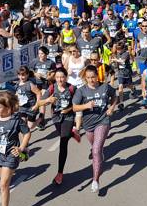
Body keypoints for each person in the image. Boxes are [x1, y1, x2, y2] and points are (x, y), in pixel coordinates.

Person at [72, 65, 117, 193]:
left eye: (93, 77)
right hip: (88, 124)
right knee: (95, 148)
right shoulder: (81, 90)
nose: (91, 80)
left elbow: (115, 96)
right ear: (85, 78)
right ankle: (99, 154)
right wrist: (86, 105)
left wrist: (111, 108)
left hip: (103, 120)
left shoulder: (105, 87)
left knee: (96, 150)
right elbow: (74, 108)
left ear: (97, 76)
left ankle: (95, 180)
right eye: (88, 78)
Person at [34, 67, 80, 185]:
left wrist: (69, 109)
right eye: (58, 77)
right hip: (56, 118)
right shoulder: (52, 88)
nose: (60, 79)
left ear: (66, 77)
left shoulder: (72, 88)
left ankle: (60, 173)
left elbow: (77, 105)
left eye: (62, 77)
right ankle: (71, 133)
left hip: (68, 117)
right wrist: (48, 99)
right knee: (64, 135)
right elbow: (40, 102)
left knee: (63, 143)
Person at [30, 46, 56, 129]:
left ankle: (41, 121)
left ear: (46, 54)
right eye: (39, 53)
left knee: (42, 101)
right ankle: (35, 117)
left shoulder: (50, 62)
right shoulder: (34, 61)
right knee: (36, 102)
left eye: (42, 53)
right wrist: (35, 74)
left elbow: (54, 73)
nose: (40, 55)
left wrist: (49, 77)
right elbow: (30, 70)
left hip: (45, 84)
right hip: (36, 84)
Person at [110, 42, 135, 110]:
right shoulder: (117, 54)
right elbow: (116, 62)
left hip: (127, 73)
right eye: (117, 49)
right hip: (120, 73)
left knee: (128, 85)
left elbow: (123, 61)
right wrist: (113, 62)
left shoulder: (126, 53)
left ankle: (133, 90)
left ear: (123, 48)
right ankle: (121, 103)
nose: (118, 50)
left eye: (120, 49)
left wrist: (115, 60)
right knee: (120, 86)